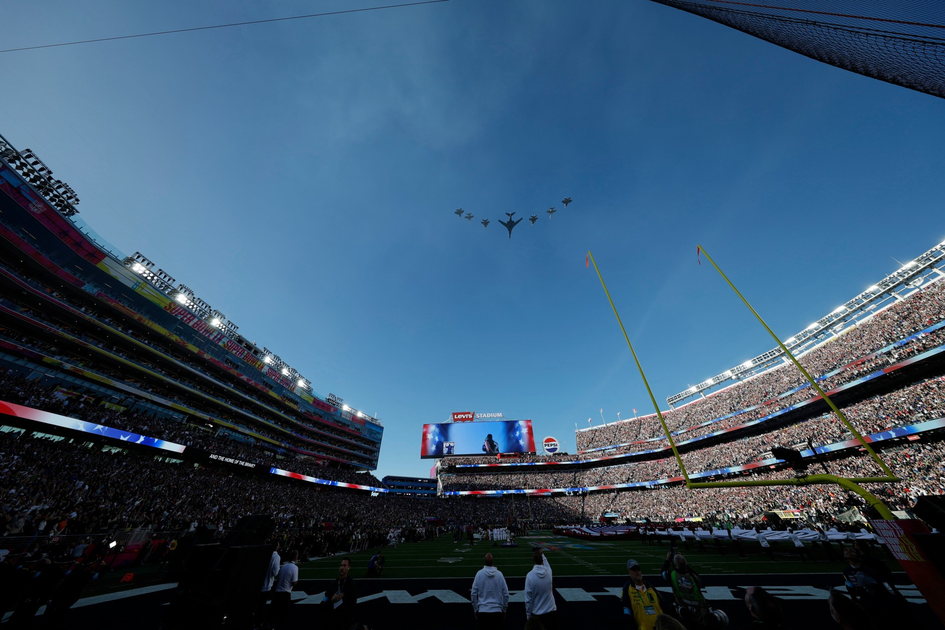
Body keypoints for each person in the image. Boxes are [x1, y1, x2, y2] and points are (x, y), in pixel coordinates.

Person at [662, 552, 728, 629]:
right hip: (699, 611)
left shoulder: (672, 575)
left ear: (675, 565)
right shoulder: (694, 577)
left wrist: (667, 561)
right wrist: (683, 562)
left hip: (684, 610)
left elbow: (663, 572)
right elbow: (694, 574)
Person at [621, 558, 664, 630]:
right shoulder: (627, 589)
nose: (637, 571)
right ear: (629, 572)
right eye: (634, 570)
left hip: (660, 627)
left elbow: (662, 603)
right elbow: (626, 610)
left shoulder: (650, 587)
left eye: (638, 569)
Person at [471, 552, 509, 630]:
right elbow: (506, 594)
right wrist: (504, 609)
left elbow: (473, 594)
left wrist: (476, 609)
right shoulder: (499, 574)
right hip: (497, 612)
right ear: (493, 562)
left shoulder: (479, 574)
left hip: (483, 612)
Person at [525, 548, 559, 630]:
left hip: (537, 614)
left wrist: (528, 616)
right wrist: (542, 554)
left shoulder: (530, 576)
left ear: (533, 560)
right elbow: (547, 564)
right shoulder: (548, 572)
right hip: (551, 611)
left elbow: (528, 599)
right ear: (541, 560)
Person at [323, 557, 357, 630]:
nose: (342, 568)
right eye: (341, 565)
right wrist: (332, 600)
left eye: (344, 565)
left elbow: (352, 606)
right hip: (331, 621)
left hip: (343, 623)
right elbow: (323, 603)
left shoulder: (351, 585)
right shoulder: (332, 584)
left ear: (349, 567)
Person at [268, 549, 298, 630]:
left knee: (273, 612)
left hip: (277, 592)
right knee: (282, 614)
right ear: (295, 557)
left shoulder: (284, 566)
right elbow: (294, 582)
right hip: (285, 592)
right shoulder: (294, 567)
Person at [256, 541, 280, 627]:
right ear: (276, 546)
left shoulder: (264, 553)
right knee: (261, 606)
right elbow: (275, 572)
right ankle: (258, 623)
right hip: (267, 584)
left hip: (258, 583)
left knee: (257, 605)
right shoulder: (275, 556)